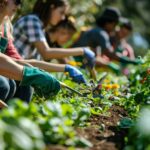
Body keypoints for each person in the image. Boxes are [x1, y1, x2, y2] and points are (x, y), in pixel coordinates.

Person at [0, 0, 63, 103]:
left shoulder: (6, 26)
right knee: (4, 84)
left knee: (24, 85)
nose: (18, 6)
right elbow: (46, 52)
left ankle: (16, 117)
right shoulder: (32, 20)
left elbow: (15, 60)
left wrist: (32, 72)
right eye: (16, 1)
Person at [13, 0, 95, 71]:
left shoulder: (41, 26)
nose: (63, 18)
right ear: (52, 8)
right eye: (61, 12)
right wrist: (82, 51)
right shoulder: (32, 20)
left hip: (18, 68)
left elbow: (36, 62)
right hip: (12, 68)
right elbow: (46, 52)